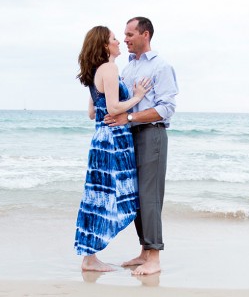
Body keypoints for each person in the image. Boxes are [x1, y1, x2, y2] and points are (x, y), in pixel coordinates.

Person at [103, 17, 178, 276]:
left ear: (145, 35)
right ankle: (144, 251)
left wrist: (130, 117)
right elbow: (123, 101)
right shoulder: (128, 67)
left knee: (150, 196)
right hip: (129, 136)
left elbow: (166, 109)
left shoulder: (161, 66)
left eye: (130, 34)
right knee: (135, 196)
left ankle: (154, 258)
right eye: (123, 35)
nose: (125, 39)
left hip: (151, 135)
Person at [74, 26, 151, 271]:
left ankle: (90, 257)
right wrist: (138, 97)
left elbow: (91, 113)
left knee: (99, 196)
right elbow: (114, 108)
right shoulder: (109, 68)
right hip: (113, 142)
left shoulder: (97, 72)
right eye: (114, 38)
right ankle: (89, 259)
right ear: (105, 45)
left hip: (102, 139)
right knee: (110, 195)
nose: (119, 41)